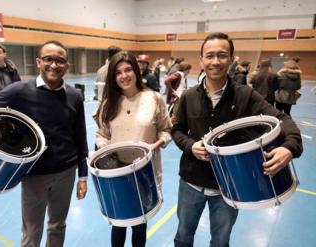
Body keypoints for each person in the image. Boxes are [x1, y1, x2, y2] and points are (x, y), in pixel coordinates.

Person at [172, 32, 303, 247]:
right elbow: (177, 130)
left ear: (232, 59)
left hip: (229, 187)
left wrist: (289, 147)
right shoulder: (188, 96)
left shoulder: (245, 95)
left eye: (222, 55)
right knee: (183, 237)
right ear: (201, 60)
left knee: (221, 242)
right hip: (190, 183)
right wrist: (190, 145)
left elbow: (281, 119)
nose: (216, 61)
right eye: (210, 56)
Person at [0, 40, 89, 247]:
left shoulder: (74, 96)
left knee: (58, 225)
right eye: (48, 59)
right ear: (38, 62)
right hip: (34, 176)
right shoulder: (19, 91)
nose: (54, 65)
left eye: (60, 60)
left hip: (66, 173)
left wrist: (83, 175)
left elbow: (80, 136)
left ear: (67, 66)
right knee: (31, 231)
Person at [95, 51, 172, 247]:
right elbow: (101, 135)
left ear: (136, 71)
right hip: (117, 173)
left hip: (144, 172)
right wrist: (107, 149)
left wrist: (156, 145)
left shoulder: (154, 98)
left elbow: (166, 130)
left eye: (128, 69)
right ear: (113, 77)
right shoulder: (108, 103)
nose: (124, 76)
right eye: (118, 72)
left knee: (139, 225)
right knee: (119, 224)